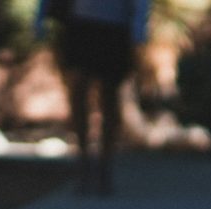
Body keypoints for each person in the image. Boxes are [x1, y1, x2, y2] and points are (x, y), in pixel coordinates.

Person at [37, 0, 150, 195]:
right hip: (80, 25)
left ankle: (105, 166)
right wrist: (40, 18)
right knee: (78, 93)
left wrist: (138, 30)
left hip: (114, 27)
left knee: (109, 98)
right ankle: (83, 164)